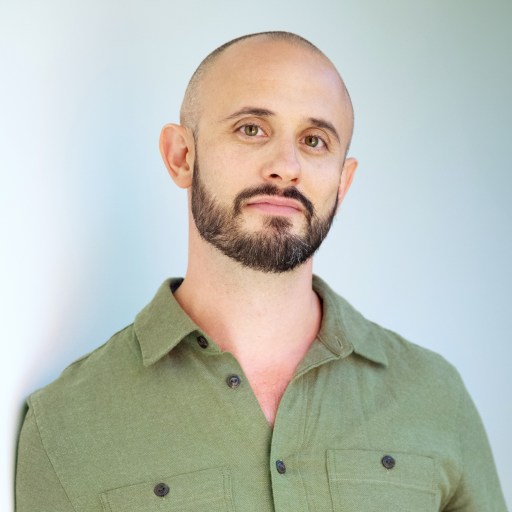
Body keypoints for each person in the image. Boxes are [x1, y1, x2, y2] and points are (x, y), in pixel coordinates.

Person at [16, 31, 506, 512]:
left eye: (314, 141)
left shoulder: (433, 396)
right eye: (252, 128)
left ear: (342, 181)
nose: (285, 166)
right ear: (181, 156)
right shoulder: (65, 425)